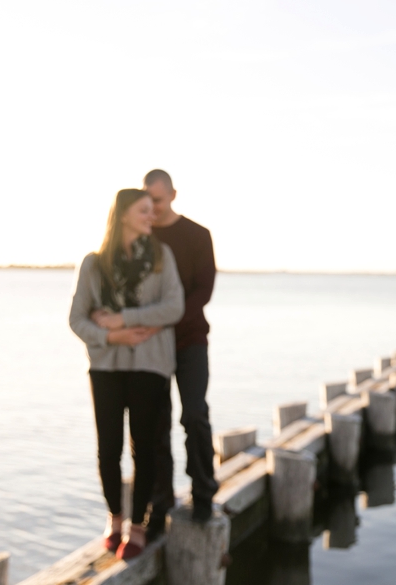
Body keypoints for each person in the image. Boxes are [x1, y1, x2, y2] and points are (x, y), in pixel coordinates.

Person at [68, 189, 184, 560]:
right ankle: (114, 519)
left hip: (150, 364)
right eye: (144, 211)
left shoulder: (162, 257)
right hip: (106, 365)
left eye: (153, 210)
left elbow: (174, 307)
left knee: (144, 448)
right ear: (122, 216)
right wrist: (111, 335)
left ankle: (137, 527)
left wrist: (124, 318)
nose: (152, 217)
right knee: (108, 448)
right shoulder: (93, 264)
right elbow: (77, 319)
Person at [143, 169, 220, 539]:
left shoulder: (197, 235)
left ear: (173, 194)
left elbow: (204, 290)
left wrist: (166, 320)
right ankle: (160, 503)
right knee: (155, 425)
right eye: (147, 201)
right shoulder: (141, 237)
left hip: (190, 341)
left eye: (157, 200)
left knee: (194, 416)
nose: (152, 208)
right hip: (152, 346)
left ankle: (204, 492)